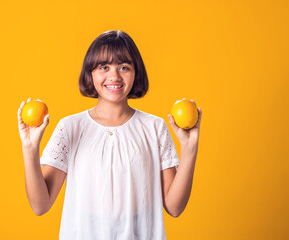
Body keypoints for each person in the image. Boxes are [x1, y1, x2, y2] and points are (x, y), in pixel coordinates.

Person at [17, 30, 202, 240]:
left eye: (124, 67)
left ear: (136, 73)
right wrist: (30, 149)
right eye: (104, 67)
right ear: (90, 73)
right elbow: (40, 205)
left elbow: (174, 207)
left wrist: (189, 148)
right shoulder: (70, 128)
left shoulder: (155, 128)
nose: (114, 76)